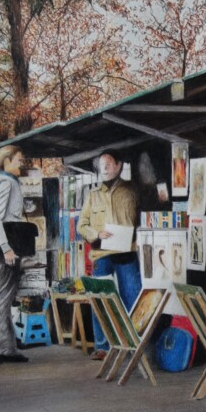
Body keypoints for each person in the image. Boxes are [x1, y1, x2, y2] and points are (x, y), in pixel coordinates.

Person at [78, 149, 142, 361]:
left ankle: (133, 343)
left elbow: (143, 221)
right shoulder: (93, 195)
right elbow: (81, 225)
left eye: (108, 164)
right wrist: (96, 233)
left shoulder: (132, 191)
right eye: (101, 165)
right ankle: (102, 346)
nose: (104, 169)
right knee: (101, 298)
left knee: (133, 297)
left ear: (119, 165)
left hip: (127, 252)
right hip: (101, 253)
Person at [0, 146, 28, 364]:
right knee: (2, 300)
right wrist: (6, 247)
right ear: (7, 161)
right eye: (19, 160)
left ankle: (5, 347)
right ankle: (3, 350)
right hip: (3, 251)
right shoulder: (6, 182)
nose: (22, 163)